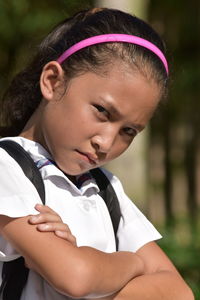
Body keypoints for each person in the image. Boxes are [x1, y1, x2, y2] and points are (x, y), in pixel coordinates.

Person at [0, 7, 194, 300]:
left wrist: (90, 266)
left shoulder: (104, 189)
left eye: (128, 131)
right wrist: (134, 263)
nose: (106, 142)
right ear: (53, 81)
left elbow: (178, 292)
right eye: (102, 111)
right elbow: (75, 278)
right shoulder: (8, 168)